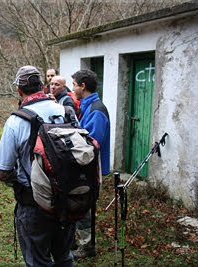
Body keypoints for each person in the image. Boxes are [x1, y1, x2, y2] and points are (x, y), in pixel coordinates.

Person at [0, 65, 75, 266]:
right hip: (68, 199)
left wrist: (19, 179)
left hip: (34, 202)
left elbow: (2, 171)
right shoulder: (66, 112)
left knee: (38, 261)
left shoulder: (16, 121)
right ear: (43, 86)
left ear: (19, 91)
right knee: (64, 257)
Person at [71, 69, 110, 259]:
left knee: (84, 205)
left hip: (91, 168)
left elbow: (92, 144)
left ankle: (87, 246)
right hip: (84, 167)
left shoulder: (96, 110)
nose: (73, 88)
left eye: (74, 84)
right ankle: (80, 241)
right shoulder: (87, 106)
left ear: (82, 86)